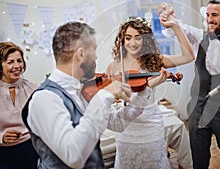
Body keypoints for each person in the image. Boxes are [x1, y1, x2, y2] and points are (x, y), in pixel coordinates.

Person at [21, 21, 154, 168]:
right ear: (81, 54)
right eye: (94, 49)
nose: (96, 57)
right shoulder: (45, 98)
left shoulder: (84, 90)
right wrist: (104, 96)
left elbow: (118, 123)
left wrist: (142, 93)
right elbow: (73, 156)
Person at [159, 0, 220, 169]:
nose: (209, 20)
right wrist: (168, 16)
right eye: (208, 15)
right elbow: (178, 28)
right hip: (198, 108)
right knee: (199, 160)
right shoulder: (198, 37)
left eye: (214, 15)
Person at [106, 15, 194, 169]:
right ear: (122, 40)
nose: (132, 43)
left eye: (137, 38)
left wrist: (176, 27)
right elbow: (111, 95)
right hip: (127, 125)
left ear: (144, 40)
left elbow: (188, 56)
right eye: (128, 38)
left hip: (150, 123)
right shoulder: (114, 66)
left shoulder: (154, 60)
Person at [0, 42, 39, 169]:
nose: (17, 66)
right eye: (10, 62)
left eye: (19, 61)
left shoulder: (33, 88)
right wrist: (1, 137)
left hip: (30, 150)